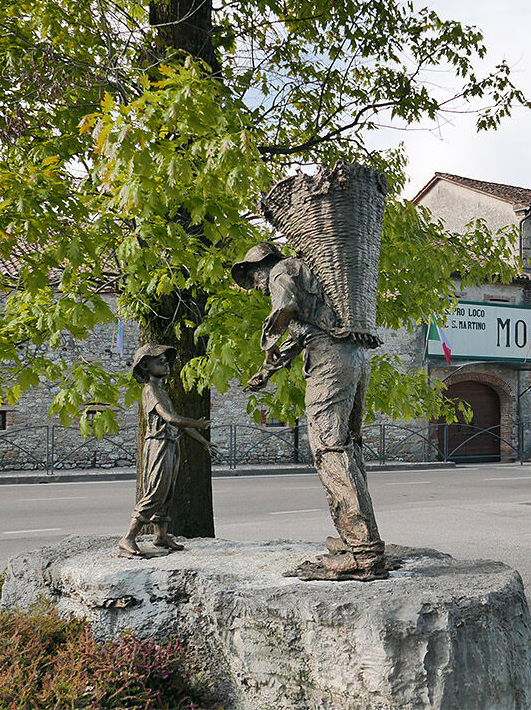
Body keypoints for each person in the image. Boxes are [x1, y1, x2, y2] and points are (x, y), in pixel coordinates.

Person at [232, 242, 387, 581]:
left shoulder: (279, 272)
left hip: (330, 363)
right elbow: (304, 332)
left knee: (329, 449)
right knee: (347, 446)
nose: (257, 287)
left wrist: (268, 337)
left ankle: (363, 551)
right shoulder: (310, 272)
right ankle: (353, 539)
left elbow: (284, 307)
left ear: (259, 266)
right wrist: (269, 369)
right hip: (353, 358)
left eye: (251, 278)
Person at [119, 343, 212, 558]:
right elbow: (172, 419)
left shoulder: (161, 390)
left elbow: (178, 424)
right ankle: (128, 537)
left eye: (166, 361)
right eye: (159, 361)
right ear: (145, 366)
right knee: (155, 492)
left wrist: (203, 442)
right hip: (158, 444)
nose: (166, 364)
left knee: (167, 492)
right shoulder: (150, 390)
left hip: (170, 443)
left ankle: (160, 535)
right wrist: (200, 424)